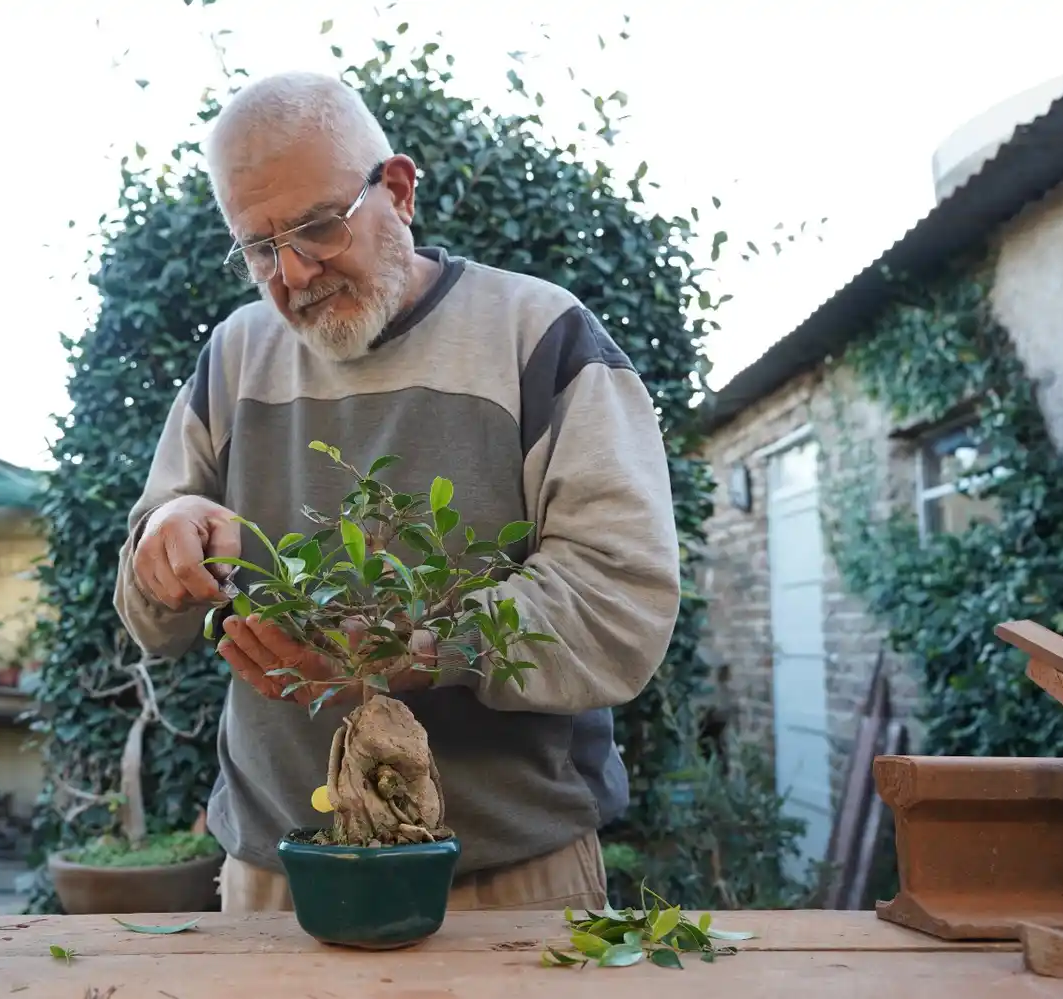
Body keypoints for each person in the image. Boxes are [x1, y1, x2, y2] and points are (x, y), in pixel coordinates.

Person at [114, 70, 680, 913]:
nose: (294, 271)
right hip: (278, 875)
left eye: (315, 227)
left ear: (400, 190)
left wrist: (409, 652)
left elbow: (620, 598)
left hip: (509, 878)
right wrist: (165, 539)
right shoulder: (233, 356)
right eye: (259, 248)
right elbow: (147, 613)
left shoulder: (539, 334)